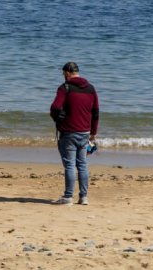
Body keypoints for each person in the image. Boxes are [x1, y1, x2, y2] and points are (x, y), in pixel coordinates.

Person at [49, 61, 99, 206]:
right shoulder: (91, 88)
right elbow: (95, 112)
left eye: (63, 73)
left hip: (68, 132)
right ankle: (84, 197)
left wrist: (58, 120)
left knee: (70, 165)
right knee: (82, 164)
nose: (63, 75)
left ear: (67, 73)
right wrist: (93, 133)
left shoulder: (65, 87)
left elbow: (55, 107)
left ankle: (68, 196)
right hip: (85, 132)